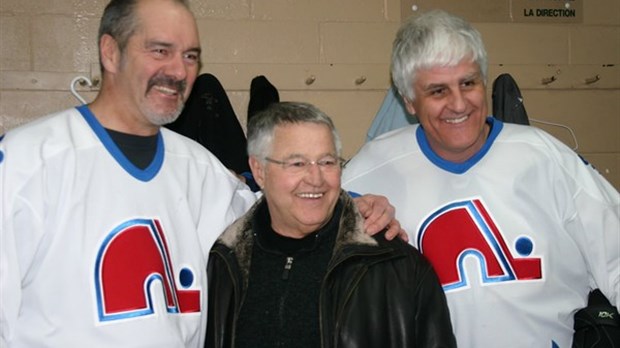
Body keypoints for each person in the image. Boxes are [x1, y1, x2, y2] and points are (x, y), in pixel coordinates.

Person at [0, 1, 402, 347]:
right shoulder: (26, 162)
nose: (178, 71)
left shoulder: (201, 169)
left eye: (191, 56)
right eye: (160, 50)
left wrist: (356, 205)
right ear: (110, 52)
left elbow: (279, 210)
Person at [342, 9, 620, 348]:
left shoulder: (547, 158)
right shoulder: (369, 169)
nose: (459, 104)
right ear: (409, 101)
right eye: (438, 91)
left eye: (468, 83)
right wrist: (343, 222)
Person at [205, 101, 456, 348]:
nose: (316, 179)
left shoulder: (398, 267)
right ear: (259, 171)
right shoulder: (225, 262)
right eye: (297, 163)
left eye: (327, 162)